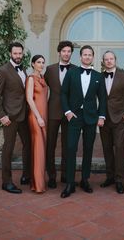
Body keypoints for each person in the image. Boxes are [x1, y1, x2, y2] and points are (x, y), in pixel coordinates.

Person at [60, 45, 106, 198]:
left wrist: (101, 116)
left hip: (91, 118)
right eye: (84, 54)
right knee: (71, 148)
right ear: (80, 57)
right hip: (74, 116)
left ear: (93, 57)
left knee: (88, 148)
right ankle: (70, 183)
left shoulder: (99, 76)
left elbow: (103, 99)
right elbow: (63, 93)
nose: (87, 57)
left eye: (89, 55)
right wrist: (67, 112)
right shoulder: (71, 72)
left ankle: (85, 179)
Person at [0, 42, 31, 194]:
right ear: (10, 54)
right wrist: (2, 116)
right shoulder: (3, 71)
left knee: (28, 144)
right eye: (15, 53)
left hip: (24, 115)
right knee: (8, 149)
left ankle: (26, 175)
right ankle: (6, 182)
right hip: (10, 117)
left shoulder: (24, 69)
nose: (18, 56)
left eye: (20, 53)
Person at [100, 51, 124, 194]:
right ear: (103, 61)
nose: (109, 61)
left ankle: (119, 180)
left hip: (119, 118)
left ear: (115, 60)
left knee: (119, 148)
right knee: (107, 148)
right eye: (106, 59)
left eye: (111, 59)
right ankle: (110, 177)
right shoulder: (99, 77)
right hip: (104, 119)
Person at [44, 40, 75, 188]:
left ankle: (65, 175)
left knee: (68, 146)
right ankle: (51, 176)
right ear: (59, 53)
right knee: (50, 145)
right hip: (53, 111)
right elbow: (43, 89)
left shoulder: (76, 69)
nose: (66, 54)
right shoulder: (49, 70)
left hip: (70, 113)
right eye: (64, 51)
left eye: (69, 51)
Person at [26, 55, 48, 193]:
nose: (41, 64)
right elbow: (29, 99)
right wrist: (38, 117)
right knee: (38, 149)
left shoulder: (43, 79)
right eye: (38, 62)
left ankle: (39, 180)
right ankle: (37, 184)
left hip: (44, 116)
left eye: (43, 62)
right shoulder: (30, 79)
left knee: (42, 149)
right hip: (36, 117)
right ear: (33, 64)